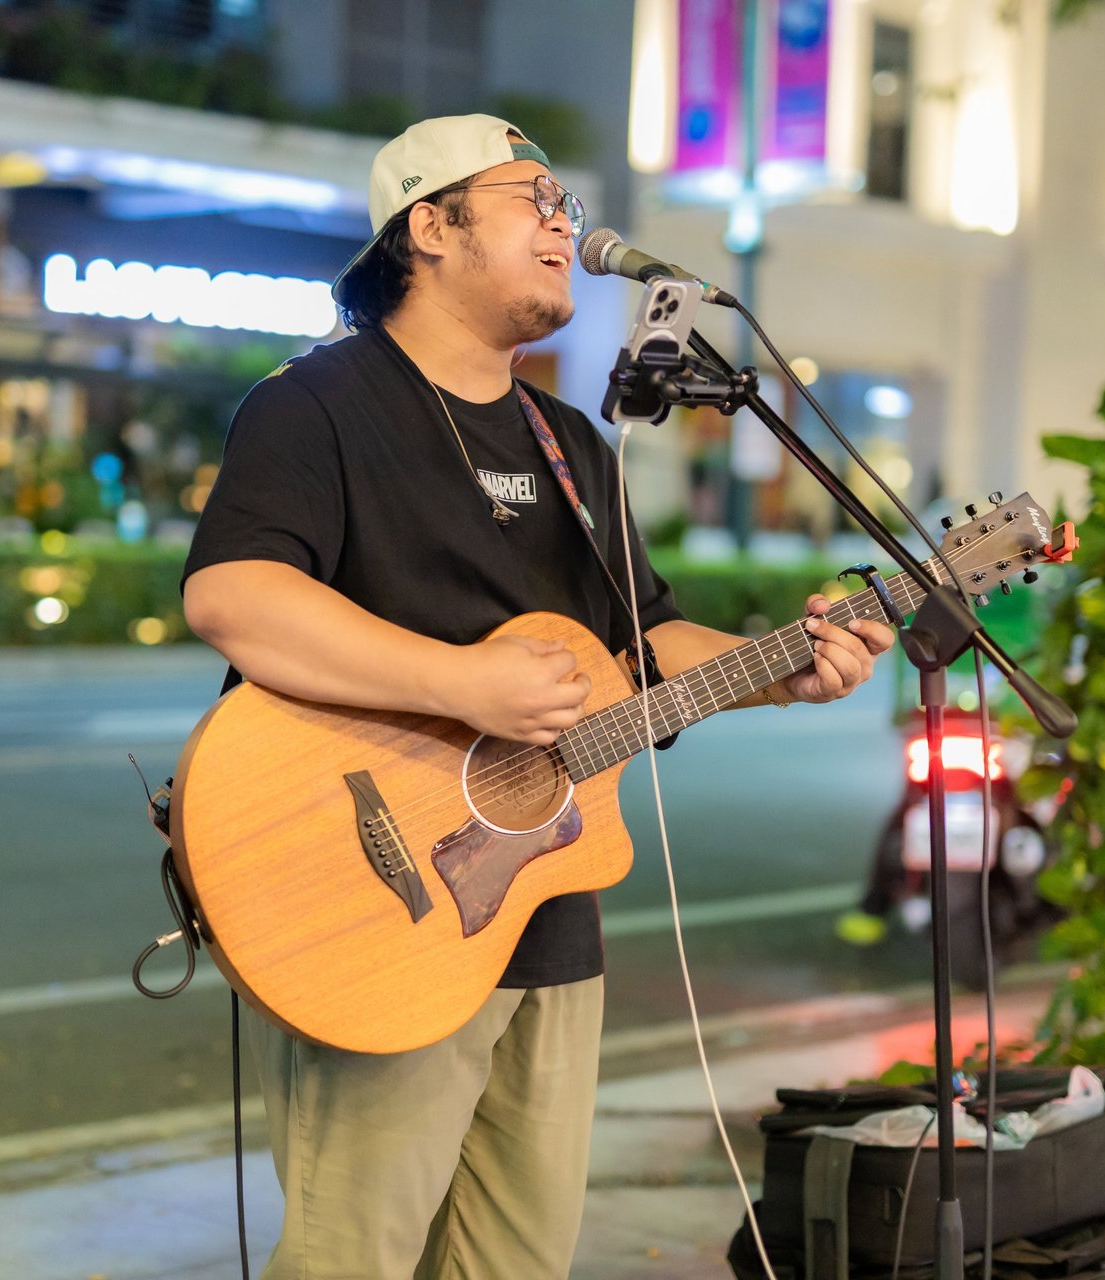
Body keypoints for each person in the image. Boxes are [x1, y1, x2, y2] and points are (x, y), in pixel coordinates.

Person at [179, 114, 896, 1278]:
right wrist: (461, 681)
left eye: (565, 203)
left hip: (548, 916)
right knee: (350, 1255)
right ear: (430, 225)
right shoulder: (315, 405)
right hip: (380, 916)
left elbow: (645, 641)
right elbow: (235, 597)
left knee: (515, 1261)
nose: (566, 224)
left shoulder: (569, 441)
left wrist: (787, 670)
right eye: (534, 197)